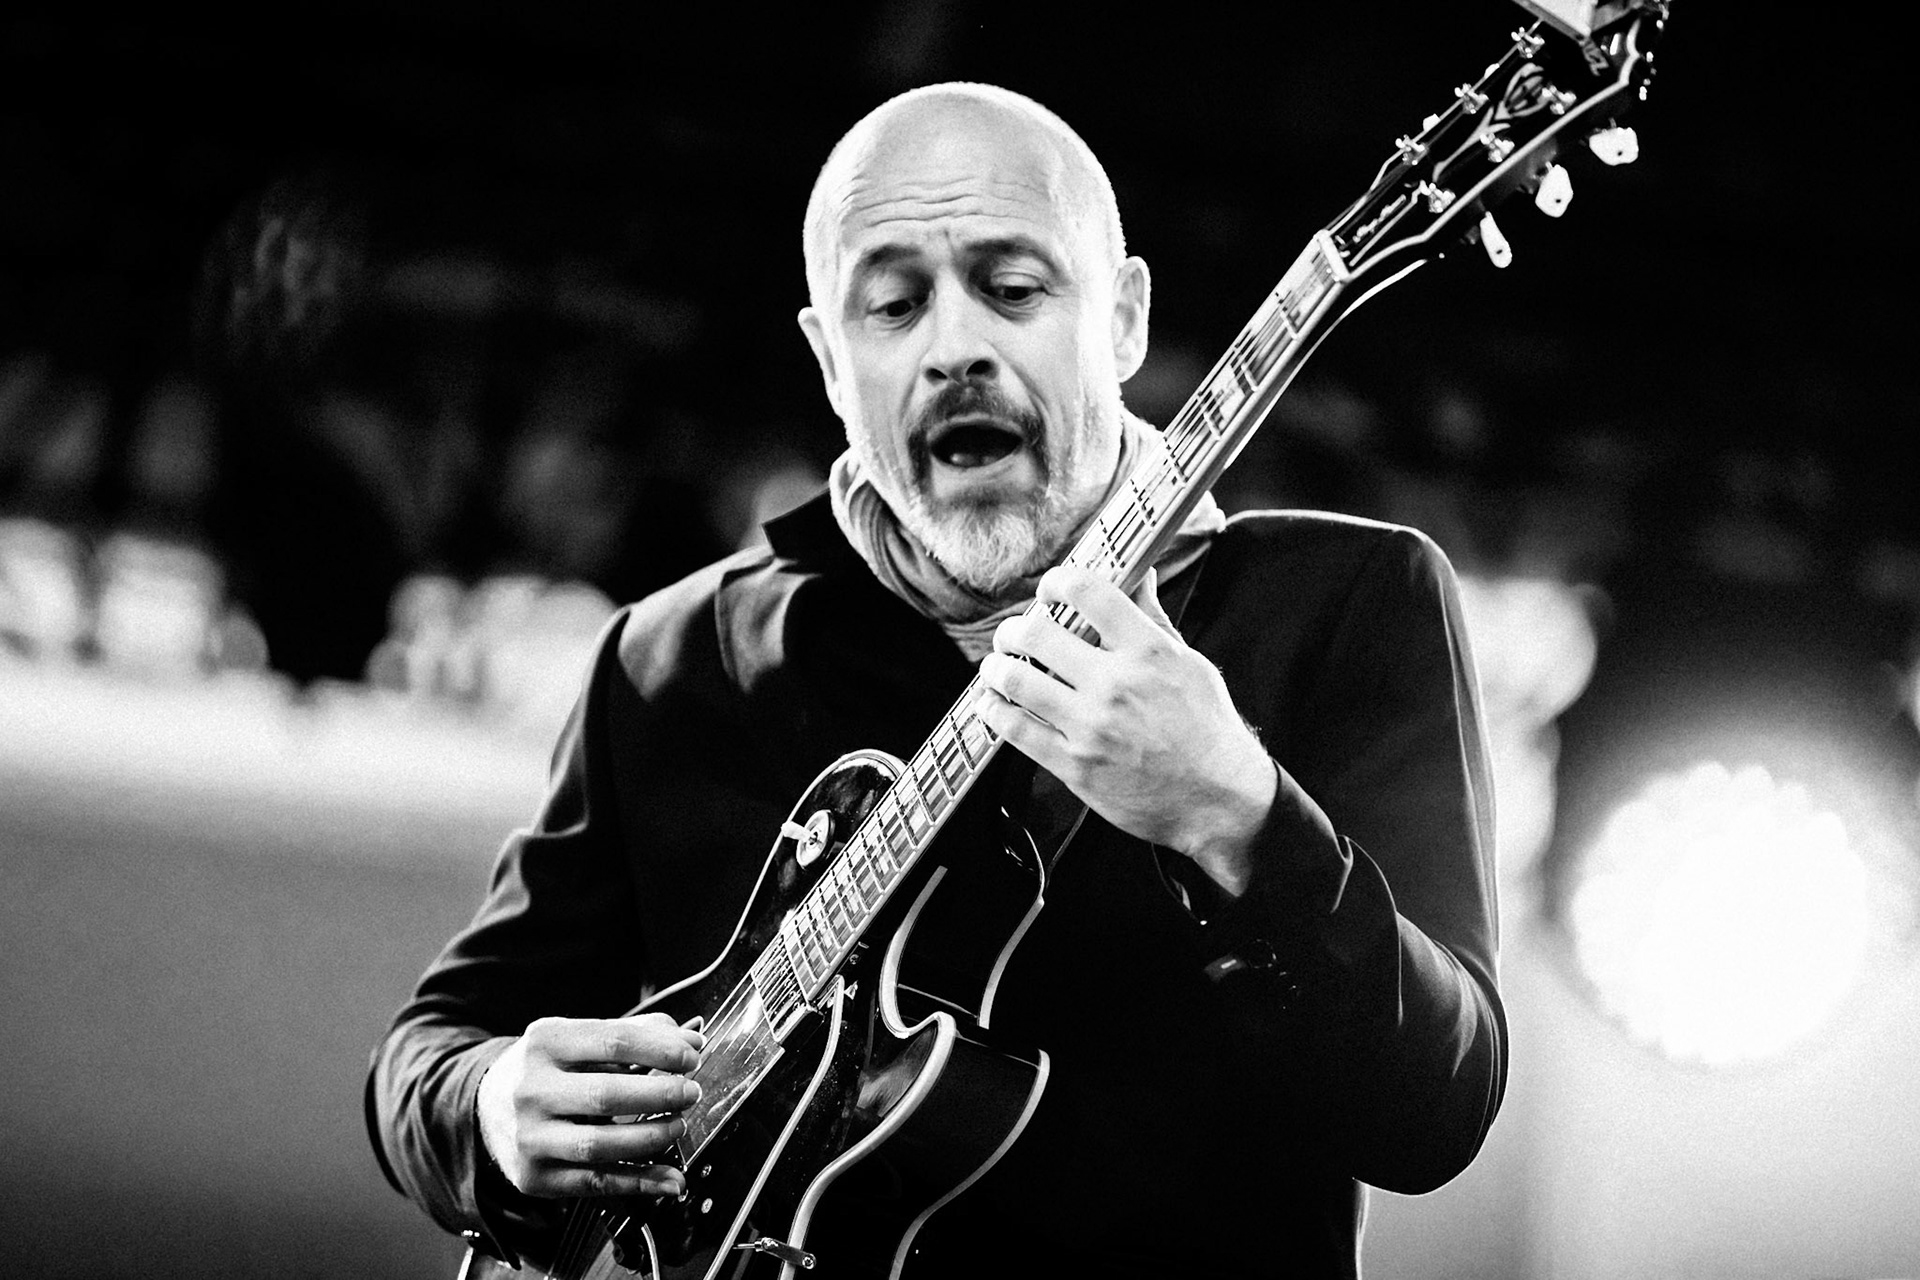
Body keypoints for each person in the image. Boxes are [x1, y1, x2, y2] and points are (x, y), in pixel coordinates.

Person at [367, 81, 1505, 1279]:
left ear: (1121, 320)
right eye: (894, 304)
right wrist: (494, 1104)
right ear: (828, 359)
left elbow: (1439, 1103)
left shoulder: (1337, 603)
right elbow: (431, 1047)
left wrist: (1234, 811)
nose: (955, 346)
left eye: (1014, 289)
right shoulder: (678, 655)